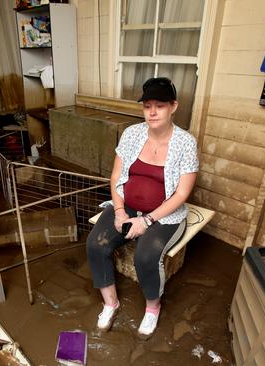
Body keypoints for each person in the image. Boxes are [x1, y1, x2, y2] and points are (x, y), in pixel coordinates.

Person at [86, 77, 199, 339]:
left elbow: (182, 193)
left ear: (173, 106)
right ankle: (110, 303)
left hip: (165, 214)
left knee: (146, 256)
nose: (152, 112)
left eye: (159, 105)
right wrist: (119, 211)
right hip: (127, 206)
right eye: (147, 105)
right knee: (96, 244)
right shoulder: (131, 134)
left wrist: (146, 221)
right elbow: (115, 178)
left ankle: (152, 308)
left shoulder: (185, 143)